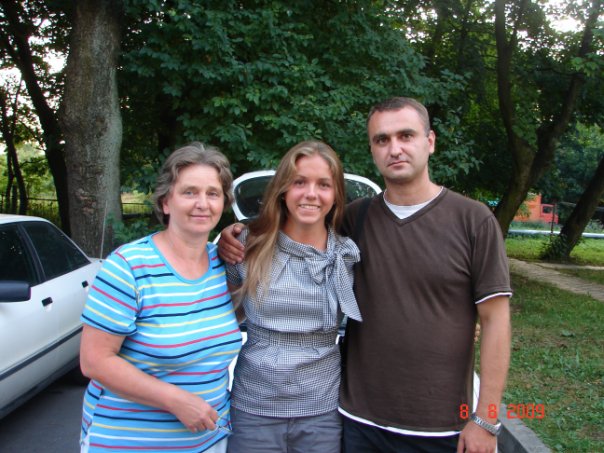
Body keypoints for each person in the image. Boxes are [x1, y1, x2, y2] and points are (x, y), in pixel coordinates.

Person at [219, 97, 512, 453]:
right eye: (382, 139)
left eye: (406, 135)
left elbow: (496, 320)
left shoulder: (473, 220)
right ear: (372, 149)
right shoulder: (355, 220)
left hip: (440, 425)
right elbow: (295, 226)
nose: (395, 149)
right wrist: (236, 233)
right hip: (357, 420)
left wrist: (486, 418)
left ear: (430, 141)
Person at [79, 142, 242, 453]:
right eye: (190, 192)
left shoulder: (223, 265)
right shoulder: (128, 266)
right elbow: (94, 361)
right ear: (166, 202)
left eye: (213, 193)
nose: (202, 203)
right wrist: (175, 400)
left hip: (210, 441)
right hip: (129, 442)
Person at [225, 140, 362, 453]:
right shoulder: (247, 245)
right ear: (283, 189)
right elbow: (223, 317)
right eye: (299, 182)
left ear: (336, 194)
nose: (311, 194)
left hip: (322, 410)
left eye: (323, 185)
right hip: (254, 407)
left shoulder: (347, 254)